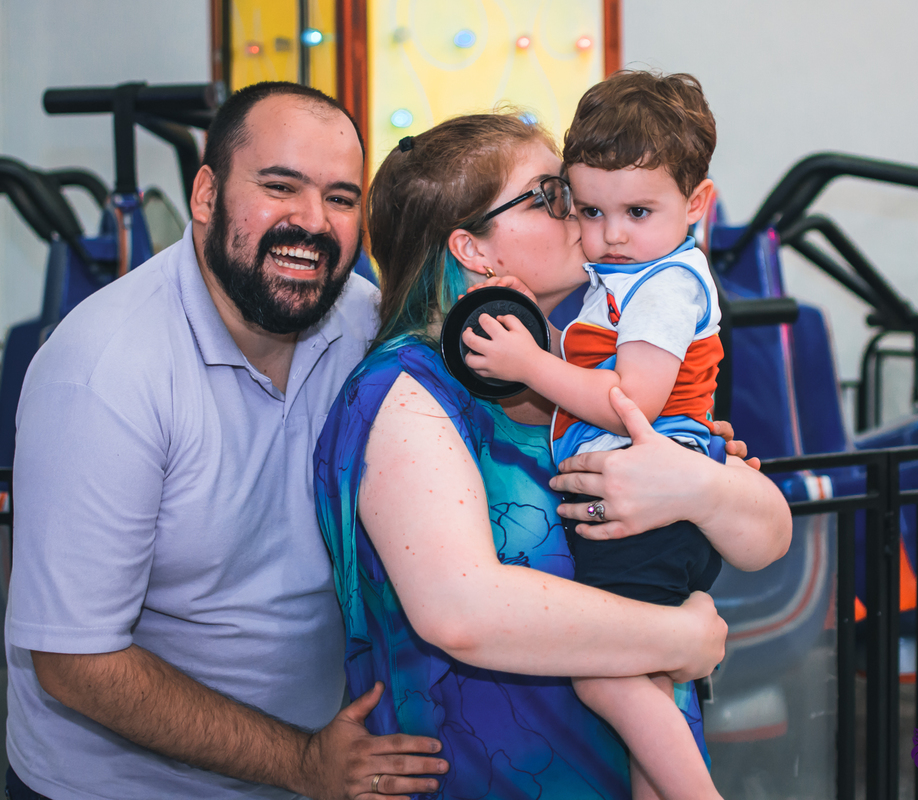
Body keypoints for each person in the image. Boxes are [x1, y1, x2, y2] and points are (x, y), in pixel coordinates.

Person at [314, 112, 792, 798]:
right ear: (472, 248)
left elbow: (767, 536)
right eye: (550, 196)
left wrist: (700, 486)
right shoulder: (403, 393)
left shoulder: (582, 369)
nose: (582, 216)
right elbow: (463, 611)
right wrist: (679, 637)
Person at [4, 82, 450, 800]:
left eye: (340, 198)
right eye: (280, 187)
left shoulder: (365, 329)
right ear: (206, 194)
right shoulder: (105, 370)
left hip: (315, 765)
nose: (313, 222)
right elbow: (74, 660)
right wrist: (304, 762)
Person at [459, 71, 728, 799]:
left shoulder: (666, 285)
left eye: (638, 210)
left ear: (695, 204)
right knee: (643, 678)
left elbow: (629, 399)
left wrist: (530, 365)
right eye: (590, 209)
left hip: (648, 513)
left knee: (606, 679)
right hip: (647, 501)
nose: (610, 235)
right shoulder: (630, 274)